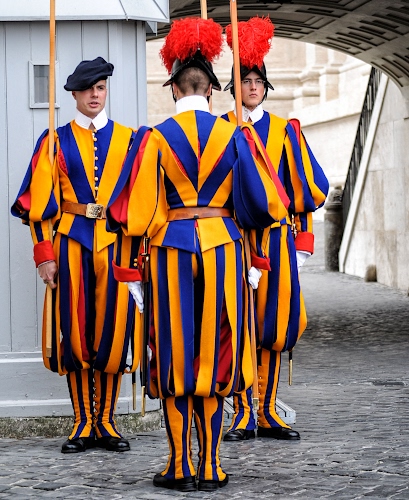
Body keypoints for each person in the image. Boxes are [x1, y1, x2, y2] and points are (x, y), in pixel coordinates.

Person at [106, 17, 289, 492]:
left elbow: (135, 213)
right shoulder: (237, 136)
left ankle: (178, 466)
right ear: (210, 90)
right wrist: (255, 260)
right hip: (224, 250)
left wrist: (130, 274)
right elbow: (263, 205)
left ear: (174, 89)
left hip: (171, 250)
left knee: (174, 356)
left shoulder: (153, 137)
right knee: (218, 352)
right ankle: (210, 466)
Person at [11, 57, 137, 454]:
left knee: (113, 333)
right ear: (74, 94)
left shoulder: (131, 140)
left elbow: (142, 197)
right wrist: (43, 253)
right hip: (71, 242)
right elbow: (37, 202)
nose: (94, 95)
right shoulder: (54, 141)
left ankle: (107, 421)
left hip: (117, 245)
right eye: (87, 89)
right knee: (76, 332)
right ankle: (83, 421)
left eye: (100, 87)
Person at [221, 17, 329, 442]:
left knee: (274, 324)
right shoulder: (223, 129)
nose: (252, 87)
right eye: (245, 81)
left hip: (278, 240)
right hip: (237, 239)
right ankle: (243, 412)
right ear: (234, 87)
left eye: (258, 81)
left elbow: (304, 191)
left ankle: (266, 410)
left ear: (265, 86)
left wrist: (302, 243)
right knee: (240, 323)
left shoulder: (286, 131)